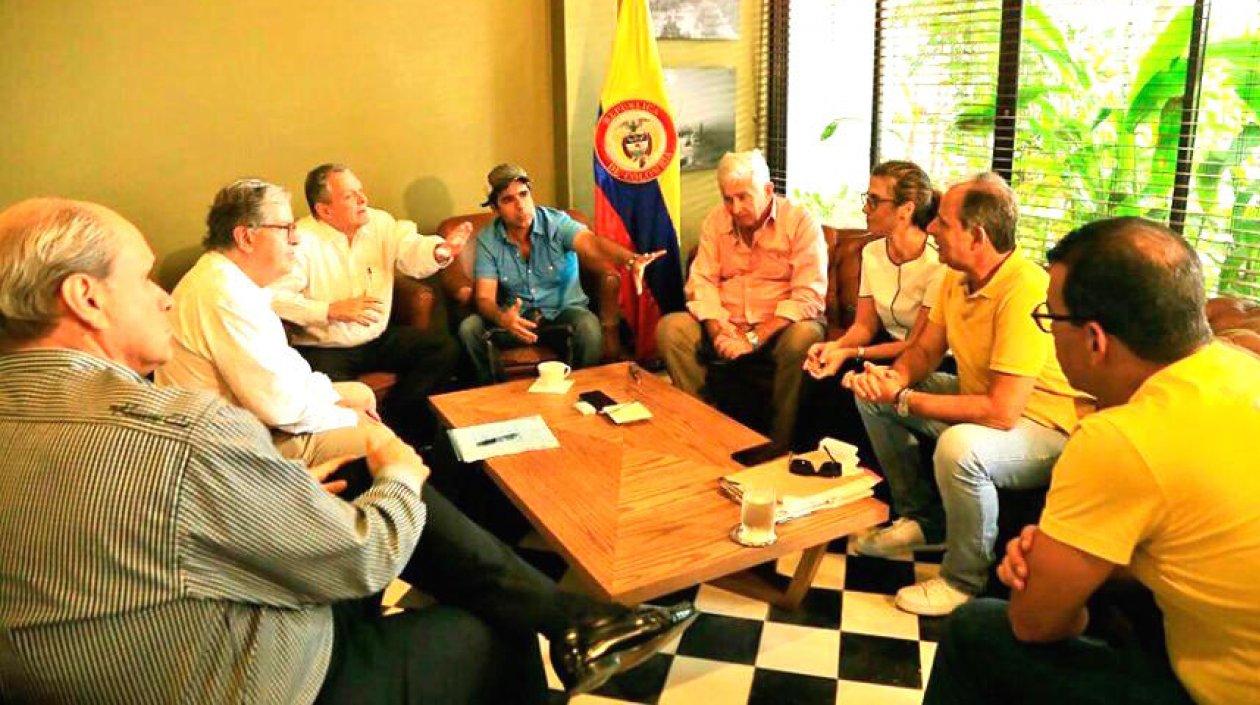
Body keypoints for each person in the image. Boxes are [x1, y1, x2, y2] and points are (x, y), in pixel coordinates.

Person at [0, 197, 696, 704]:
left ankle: (576, 617)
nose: (161, 296)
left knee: (362, 456)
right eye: (144, 277)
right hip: (230, 673)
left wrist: (283, 481)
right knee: (484, 628)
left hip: (131, 643)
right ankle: (563, 622)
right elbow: (360, 551)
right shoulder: (174, 430)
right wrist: (396, 470)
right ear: (85, 297)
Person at [925, 217, 1260, 705]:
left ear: (1095, 340)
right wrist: (1083, 556)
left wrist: (1063, 591)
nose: (1049, 334)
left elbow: (1034, 624)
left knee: (977, 629)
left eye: (1051, 319)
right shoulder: (1240, 369)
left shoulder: (1121, 438)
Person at [845, 173, 1081, 616]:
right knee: (871, 392)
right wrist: (892, 382)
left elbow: (1000, 411)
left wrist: (905, 400)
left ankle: (962, 580)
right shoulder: (954, 277)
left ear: (977, 236)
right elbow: (924, 353)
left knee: (960, 447)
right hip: (988, 400)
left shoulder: (1026, 287)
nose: (931, 228)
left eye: (944, 223)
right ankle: (923, 520)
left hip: (1046, 425)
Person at [157, 178, 377, 466]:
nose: (296, 239)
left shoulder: (230, 278)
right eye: (286, 229)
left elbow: (284, 374)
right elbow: (279, 407)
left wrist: (338, 398)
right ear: (246, 238)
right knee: (381, 444)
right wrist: (346, 416)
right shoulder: (224, 294)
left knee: (361, 395)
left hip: (252, 422)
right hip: (226, 452)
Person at [270, 164, 468, 445]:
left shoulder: (380, 223)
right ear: (325, 210)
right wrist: (328, 310)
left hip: (377, 339)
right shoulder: (300, 241)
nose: (363, 200)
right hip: (325, 348)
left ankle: (397, 425)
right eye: (351, 196)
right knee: (330, 403)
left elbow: (410, 249)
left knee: (443, 349)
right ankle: (365, 450)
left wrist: (439, 250)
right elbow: (274, 298)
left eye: (361, 192)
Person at [656, 149, 828, 448]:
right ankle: (704, 428)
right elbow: (702, 282)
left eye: (743, 197)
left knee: (804, 338)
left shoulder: (800, 222)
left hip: (780, 327)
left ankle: (778, 444)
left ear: (768, 190)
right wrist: (718, 329)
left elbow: (808, 295)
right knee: (671, 329)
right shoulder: (715, 221)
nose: (734, 208)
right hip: (727, 323)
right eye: (727, 198)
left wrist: (753, 338)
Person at [457, 163, 663, 383]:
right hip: (518, 320)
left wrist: (630, 259)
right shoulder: (488, 239)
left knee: (587, 326)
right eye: (508, 200)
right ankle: (497, 400)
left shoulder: (556, 223)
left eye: (524, 195)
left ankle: (581, 395)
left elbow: (592, 244)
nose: (520, 205)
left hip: (561, 315)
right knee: (469, 328)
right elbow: (484, 298)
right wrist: (503, 318)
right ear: (496, 209)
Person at [800, 161, 946, 457]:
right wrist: (834, 347)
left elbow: (915, 345)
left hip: (924, 358)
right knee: (821, 379)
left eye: (874, 201)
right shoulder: (871, 251)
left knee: (859, 389)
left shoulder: (938, 264)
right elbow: (864, 327)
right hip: (883, 345)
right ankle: (814, 471)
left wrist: (851, 353)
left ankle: (868, 484)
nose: (865, 208)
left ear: (906, 210)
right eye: (866, 199)